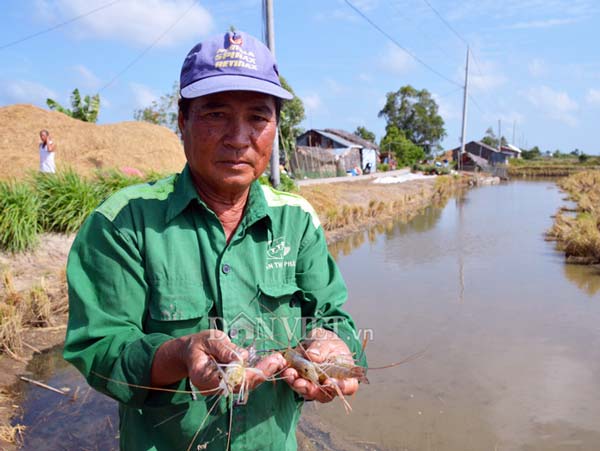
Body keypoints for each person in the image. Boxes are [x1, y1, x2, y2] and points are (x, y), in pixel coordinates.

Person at [64, 31, 365, 451]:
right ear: (182, 121)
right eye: (216, 114)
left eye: (258, 117)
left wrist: (339, 350)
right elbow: (101, 348)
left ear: (275, 128)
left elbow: (333, 316)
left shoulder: (297, 220)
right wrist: (181, 353)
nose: (239, 137)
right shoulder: (122, 223)